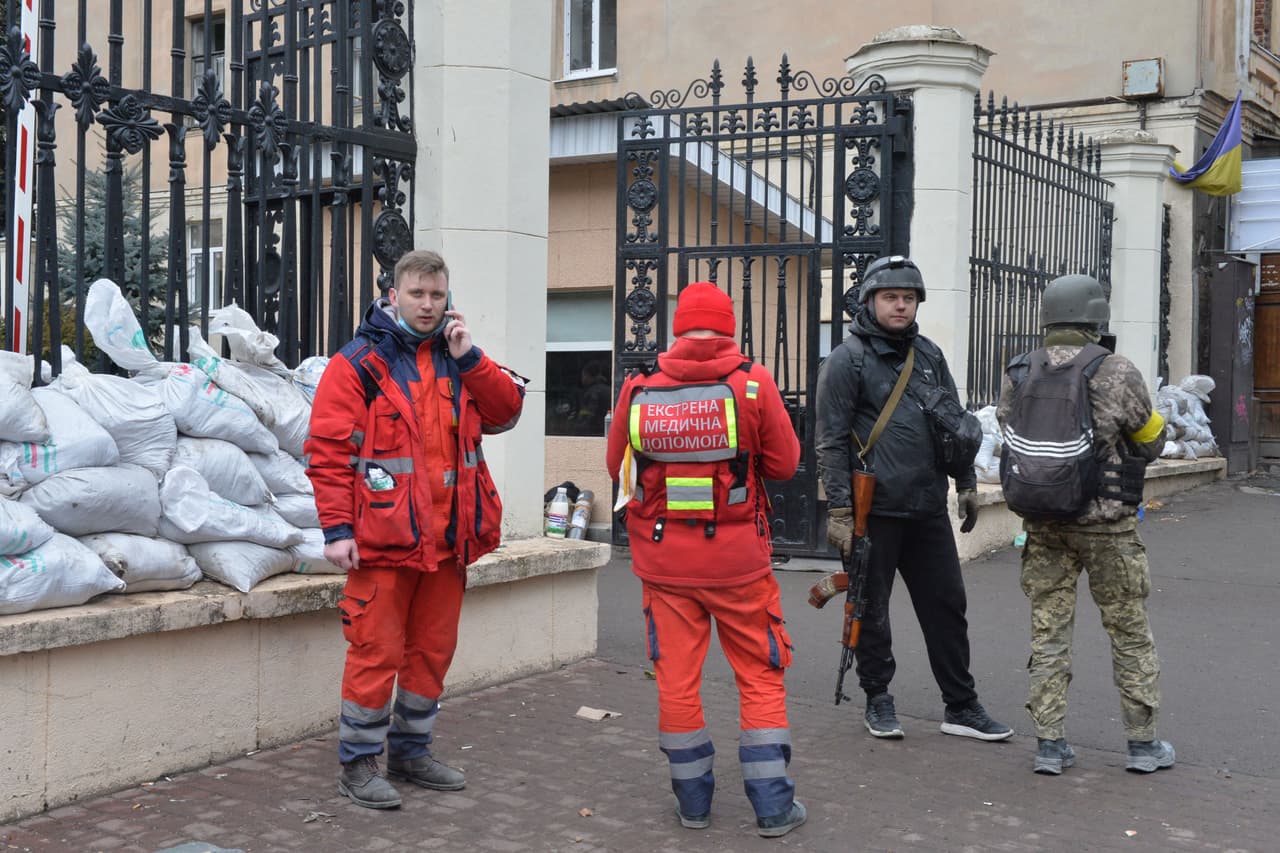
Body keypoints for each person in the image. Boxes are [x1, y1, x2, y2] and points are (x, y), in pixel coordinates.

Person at [306, 249, 527, 809]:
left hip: (448, 544)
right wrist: (336, 531)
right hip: (384, 545)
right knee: (375, 651)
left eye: (436, 295)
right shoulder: (357, 363)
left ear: (447, 299)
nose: (427, 305)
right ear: (393, 296)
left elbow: (505, 412)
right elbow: (328, 452)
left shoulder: (459, 358)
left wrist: (471, 355)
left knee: (431, 652)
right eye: (417, 294)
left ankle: (411, 752)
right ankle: (358, 765)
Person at [606, 282, 806, 839]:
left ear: (677, 329)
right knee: (760, 678)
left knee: (676, 680)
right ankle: (772, 808)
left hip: (664, 564)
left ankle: (692, 804)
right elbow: (786, 465)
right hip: (738, 564)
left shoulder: (639, 387)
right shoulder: (751, 383)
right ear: (729, 327)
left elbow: (614, 463)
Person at [815, 255, 1012, 743]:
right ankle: (878, 698)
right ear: (870, 301)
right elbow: (830, 440)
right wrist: (839, 509)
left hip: (926, 507)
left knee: (947, 606)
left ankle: (961, 706)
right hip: (872, 511)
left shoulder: (928, 354)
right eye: (890, 297)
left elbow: (954, 427)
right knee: (869, 609)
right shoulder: (847, 360)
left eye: (908, 298)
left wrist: (965, 483)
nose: (900, 305)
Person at [997, 274, 1173, 776]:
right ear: (1095, 316)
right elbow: (1151, 439)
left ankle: (1050, 746)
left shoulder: (1019, 369)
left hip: (1043, 524)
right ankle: (1143, 745)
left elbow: (1010, 433)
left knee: (1048, 634)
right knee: (1129, 632)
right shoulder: (1115, 369)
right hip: (1108, 529)